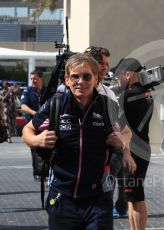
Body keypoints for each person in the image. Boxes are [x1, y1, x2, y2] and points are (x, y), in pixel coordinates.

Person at [22, 53, 125, 229]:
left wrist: (122, 140)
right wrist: (36, 140)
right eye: (75, 76)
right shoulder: (55, 105)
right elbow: (27, 130)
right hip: (63, 197)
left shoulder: (108, 106)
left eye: (86, 76)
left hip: (98, 198)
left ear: (96, 79)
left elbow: (127, 132)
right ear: (67, 80)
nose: (80, 81)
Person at [85, 46, 136, 218]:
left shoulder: (109, 95)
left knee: (100, 212)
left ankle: (117, 205)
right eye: (102, 64)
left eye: (107, 64)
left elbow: (125, 130)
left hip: (105, 163)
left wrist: (126, 152)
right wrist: (39, 140)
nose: (106, 68)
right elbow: (31, 129)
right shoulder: (68, 92)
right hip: (76, 168)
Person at [112, 57, 154, 230]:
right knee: (131, 197)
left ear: (128, 74)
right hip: (142, 147)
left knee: (136, 197)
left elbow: (118, 124)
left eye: (119, 76)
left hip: (133, 152)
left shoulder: (128, 96)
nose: (117, 80)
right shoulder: (146, 93)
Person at [20, 69, 46, 180]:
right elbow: (23, 106)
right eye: (31, 79)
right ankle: (37, 172)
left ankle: (46, 171)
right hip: (32, 125)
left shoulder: (48, 90)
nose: (33, 81)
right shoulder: (28, 90)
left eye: (35, 78)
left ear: (41, 78)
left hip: (46, 124)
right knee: (34, 148)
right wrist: (34, 113)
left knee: (46, 147)